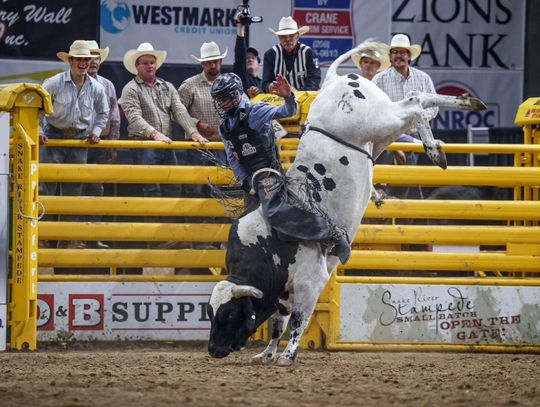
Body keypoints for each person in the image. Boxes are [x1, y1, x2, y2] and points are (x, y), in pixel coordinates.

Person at [211, 73, 350, 264]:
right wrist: (245, 181)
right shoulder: (225, 126)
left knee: (274, 212)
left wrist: (288, 97)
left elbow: (287, 111)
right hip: (251, 181)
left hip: (269, 173)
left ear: (235, 95)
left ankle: (332, 234)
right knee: (247, 226)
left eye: (223, 98)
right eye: (218, 99)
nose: (220, 103)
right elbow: (232, 157)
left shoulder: (255, 111)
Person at [118, 42, 203, 251]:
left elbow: (180, 111)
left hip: (164, 144)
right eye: (145, 63)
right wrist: (155, 134)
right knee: (152, 189)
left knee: (172, 188)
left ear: (157, 65)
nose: (149, 66)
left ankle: (167, 234)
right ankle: (156, 238)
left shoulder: (167, 86)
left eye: (152, 62)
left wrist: (193, 132)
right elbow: (134, 118)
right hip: (145, 143)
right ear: (137, 67)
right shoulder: (130, 89)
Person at [40, 40, 109, 249]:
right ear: (70, 60)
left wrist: (96, 132)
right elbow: (36, 109)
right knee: (47, 187)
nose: (83, 63)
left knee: (74, 190)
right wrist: (40, 131)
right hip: (53, 136)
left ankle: (66, 238)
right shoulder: (53, 83)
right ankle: (42, 236)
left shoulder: (96, 87)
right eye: (79, 59)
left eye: (86, 59)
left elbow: (104, 113)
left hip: (79, 138)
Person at [372, 34, 438, 197]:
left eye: (402, 52)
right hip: (387, 140)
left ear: (409, 57)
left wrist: (418, 119)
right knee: (384, 180)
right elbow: (373, 109)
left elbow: (434, 107)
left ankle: (402, 213)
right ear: (390, 56)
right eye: (395, 52)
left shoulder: (423, 79)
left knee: (408, 183)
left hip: (414, 138)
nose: (398, 56)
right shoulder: (379, 79)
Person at [82, 40, 121, 249]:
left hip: (99, 144)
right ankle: (74, 236)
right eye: (90, 57)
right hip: (77, 143)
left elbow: (114, 116)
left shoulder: (107, 85)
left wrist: (112, 144)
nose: (94, 61)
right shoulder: (77, 82)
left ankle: (93, 235)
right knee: (76, 188)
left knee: (96, 188)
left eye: (97, 57)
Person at [262, 16, 321, 93]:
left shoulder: (308, 53)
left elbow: (315, 79)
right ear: (279, 37)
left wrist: (296, 92)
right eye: (284, 36)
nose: (288, 39)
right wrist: (269, 87)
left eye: (291, 35)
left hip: (304, 99)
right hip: (278, 100)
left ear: (297, 36)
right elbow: (265, 83)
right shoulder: (270, 54)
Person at [233, 11, 262, 98]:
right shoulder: (241, 78)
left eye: (253, 57)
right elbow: (240, 53)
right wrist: (240, 27)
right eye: (247, 58)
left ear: (259, 63)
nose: (249, 59)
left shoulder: (264, 83)